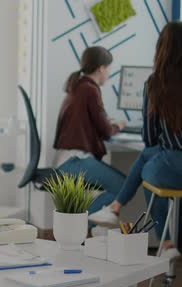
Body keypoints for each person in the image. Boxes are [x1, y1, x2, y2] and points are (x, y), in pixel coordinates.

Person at [87, 22, 182, 255]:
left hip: (173, 165)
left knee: (148, 165)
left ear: (162, 49)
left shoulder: (156, 83)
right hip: (172, 162)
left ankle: (165, 241)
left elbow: (149, 138)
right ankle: (169, 243)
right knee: (152, 158)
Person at [53, 46, 127, 226]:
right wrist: (118, 124)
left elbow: (93, 121)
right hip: (75, 161)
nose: (108, 73)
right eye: (108, 69)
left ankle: (77, 226)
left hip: (67, 158)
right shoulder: (90, 90)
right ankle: (76, 226)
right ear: (101, 68)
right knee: (124, 187)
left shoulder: (79, 86)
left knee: (121, 185)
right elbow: (107, 131)